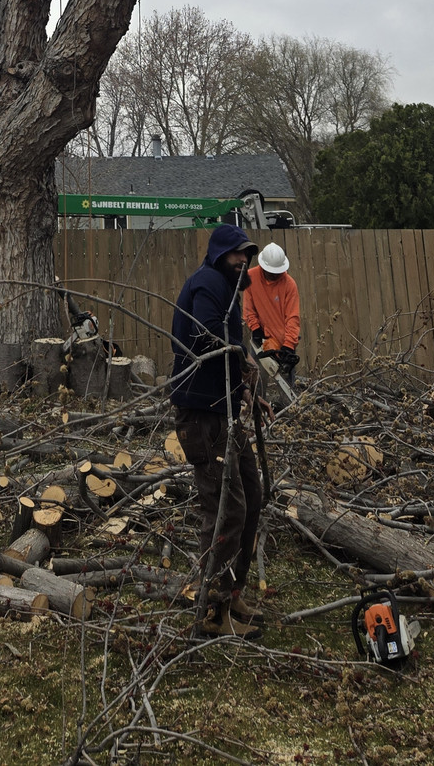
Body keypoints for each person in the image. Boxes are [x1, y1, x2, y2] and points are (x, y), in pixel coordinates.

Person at [170, 222, 264, 633]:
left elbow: (226, 351)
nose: (244, 261)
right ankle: (212, 608)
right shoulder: (209, 282)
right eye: (237, 254)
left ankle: (235, 593)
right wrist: (242, 359)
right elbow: (209, 339)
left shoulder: (230, 292)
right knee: (225, 508)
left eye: (248, 255)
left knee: (252, 495)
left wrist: (244, 388)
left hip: (223, 411)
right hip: (201, 415)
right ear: (220, 255)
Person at [243, 240, 301, 388]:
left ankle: (287, 409)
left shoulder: (289, 284)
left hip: (283, 343)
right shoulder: (251, 277)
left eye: (277, 272)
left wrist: (288, 346)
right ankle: (257, 409)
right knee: (256, 381)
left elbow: (293, 318)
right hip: (261, 341)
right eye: (272, 272)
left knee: (287, 387)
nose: (275, 275)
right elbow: (248, 309)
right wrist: (255, 329)